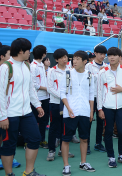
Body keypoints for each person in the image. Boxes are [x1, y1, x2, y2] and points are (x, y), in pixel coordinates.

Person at [0, 38, 45, 176]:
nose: (29, 53)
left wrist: (37, 105)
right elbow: (1, 93)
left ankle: (29, 171)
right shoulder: (6, 67)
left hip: (26, 112)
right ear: (20, 51)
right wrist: (2, 117)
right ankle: (9, 173)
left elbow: (31, 89)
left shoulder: (27, 66)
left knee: (35, 138)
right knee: (9, 144)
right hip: (9, 114)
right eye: (28, 50)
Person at [60, 51, 95, 175]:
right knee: (66, 139)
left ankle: (83, 163)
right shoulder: (67, 73)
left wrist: (91, 111)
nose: (74, 61)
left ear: (85, 61)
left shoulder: (90, 75)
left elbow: (91, 94)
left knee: (84, 139)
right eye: (73, 58)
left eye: (78, 59)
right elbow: (62, 93)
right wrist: (68, 108)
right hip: (70, 112)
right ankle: (66, 165)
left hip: (85, 112)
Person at [97, 47, 122, 168]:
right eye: (109, 55)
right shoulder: (103, 72)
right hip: (107, 107)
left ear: (119, 57)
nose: (111, 57)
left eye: (114, 55)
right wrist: (100, 109)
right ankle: (111, 157)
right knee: (108, 132)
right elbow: (99, 91)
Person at [46, 48, 74, 161]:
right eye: (61, 57)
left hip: (67, 104)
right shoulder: (52, 71)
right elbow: (50, 88)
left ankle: (63, 150)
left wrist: (67, 99)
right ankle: (51, 150)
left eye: (66, 57)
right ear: (56, 59)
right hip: (55, 103)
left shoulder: (71, 70)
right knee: (54, 127)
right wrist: (62, 97)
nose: (64, 59)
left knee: (65, 126)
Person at [85, 45, 107, 153]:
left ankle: (98, 143)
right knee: (88, 121)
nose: (102, 56)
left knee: (101, 121)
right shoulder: (88, 66)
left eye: (104, 54)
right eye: (100, 54)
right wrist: (99, 73)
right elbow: (87, 80)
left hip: (102, 96)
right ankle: (86, 144)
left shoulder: (106, 66)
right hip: (91, 97)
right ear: (95, 53)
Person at [30, 45, 50, 149]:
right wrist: (47, 89)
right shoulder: (33, 66)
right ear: (43, 54)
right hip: (36, 98)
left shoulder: (41, 65)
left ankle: (42, 139)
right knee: (33, 121)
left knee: (44, 120)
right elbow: (34, 85)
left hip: (45, 97)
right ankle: (29, 141)